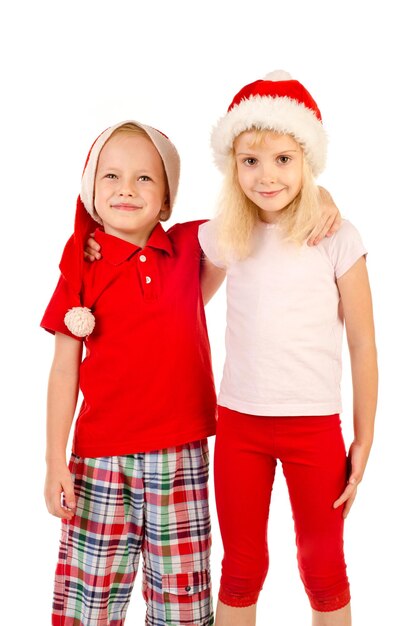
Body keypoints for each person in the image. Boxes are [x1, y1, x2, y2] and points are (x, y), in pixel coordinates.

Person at [197, 71, 378, 626]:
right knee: (242, 567)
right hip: (240, 426)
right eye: (250, 161)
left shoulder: (336, 235)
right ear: (233, 166)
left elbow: (363, 341)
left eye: (283, 159)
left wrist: (364, 436)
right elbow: (182, 300)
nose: (266, 175)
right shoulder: (227, 234)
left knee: (322, 566)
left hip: (314, 427)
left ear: (307, 162)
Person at [41, 121, 219, 626]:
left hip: (180, 456)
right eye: (111, 176)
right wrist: (56, 462)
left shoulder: (190, 246)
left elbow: (247, 215)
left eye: (145, 179)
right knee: (90, 601)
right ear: (91, 194)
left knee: (183, 602)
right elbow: (62, 372)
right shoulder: (82, 267)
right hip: (99, 462)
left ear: (166, 199)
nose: (126, 188)